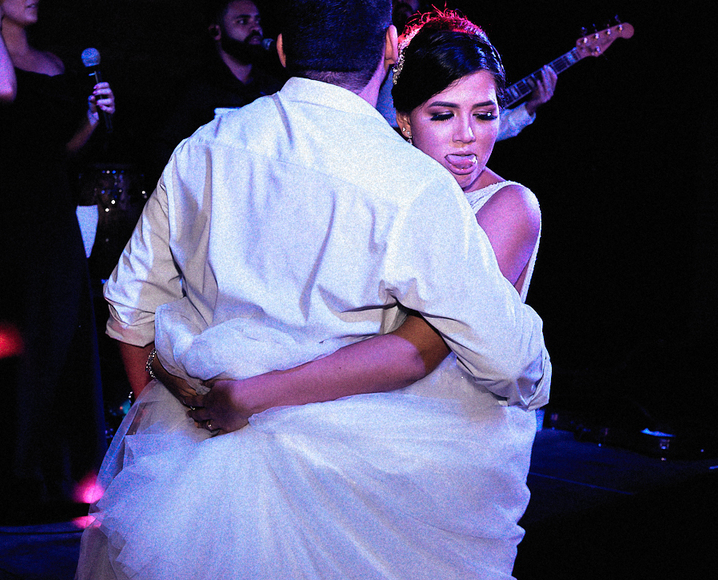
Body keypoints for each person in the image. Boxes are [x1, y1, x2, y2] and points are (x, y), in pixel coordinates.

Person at [68, 2, 550, 580]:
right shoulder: (408, 183)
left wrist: (170, 434)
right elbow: (503, 354)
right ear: (393, 49)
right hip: (367, 503)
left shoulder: (209, 146)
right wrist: (534, 371)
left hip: (211, 492)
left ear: (283, 44)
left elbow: (129, 311)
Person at [184, 7, 542, 434]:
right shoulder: (378, 184)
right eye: (443, 115)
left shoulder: (510, 205)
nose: (467, 134)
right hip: (344, 397)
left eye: (484, 115)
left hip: (443, 420)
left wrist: (256, 393)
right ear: (405, 122)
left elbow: (417, 349)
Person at [0, 0, 115, 519]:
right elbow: (0, 91)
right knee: (9, 343)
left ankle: (59, 478)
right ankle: (3, 481)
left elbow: (57, 152)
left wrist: (91, 118)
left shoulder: (57, 63)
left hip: (52, 217)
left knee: (57, 337)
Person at [377, 0, 555, 141]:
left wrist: (530, 107)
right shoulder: (368, 46)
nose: (466, 136)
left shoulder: (440, 48)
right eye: (443, 115)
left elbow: (481, 130)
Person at [151, 0, 284, 173]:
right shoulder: (196, 89)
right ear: (216, 31)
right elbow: (164, 149)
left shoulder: (273, 88)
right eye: (243, 21)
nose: (255, 29)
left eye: (257, 21)